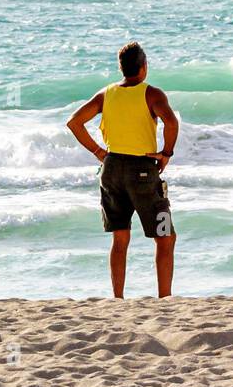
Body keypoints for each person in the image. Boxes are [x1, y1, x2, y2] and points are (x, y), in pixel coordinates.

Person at [67, 42, 179, 297]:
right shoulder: (152, 94)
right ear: (144, 67)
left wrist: (99, 152)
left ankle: (118, 298)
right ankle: (165, 298)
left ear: (122, 68)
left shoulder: (106, 94)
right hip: (142, 170)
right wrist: (166, 153)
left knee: (120, 239)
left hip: (112, 169)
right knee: (165, 236)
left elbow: (74, 122)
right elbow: (171, 122)